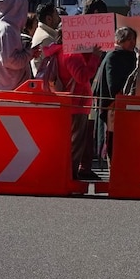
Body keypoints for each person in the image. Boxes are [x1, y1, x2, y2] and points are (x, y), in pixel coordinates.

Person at [92, 26, 138, 162]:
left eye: (134, 39)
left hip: (123, 108)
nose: (132, 42)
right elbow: (114, 85)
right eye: (129, 39)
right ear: (120, 40)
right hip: (114, 108)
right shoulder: (114, 56)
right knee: (113, 144)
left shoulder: (129, 55)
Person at [60, 38, 103, 181]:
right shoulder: (72, 55)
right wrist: (95, 58)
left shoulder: (61, 52)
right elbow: (82, 77)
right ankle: (70, 176)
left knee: (72, 142)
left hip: (72, 102)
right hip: (77, 102)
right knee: (76, 144)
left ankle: (68, 174)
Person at [0, 0, 38, 91]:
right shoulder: (7, 29)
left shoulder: (4, 25)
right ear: (18, 7)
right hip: (11, 89)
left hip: (7, 87)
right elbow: (11, 61)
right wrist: (30, 53)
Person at [31, 2, 62, 75]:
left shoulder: (44, 34)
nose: (59, 18)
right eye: (57, 15)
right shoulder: (45, 39)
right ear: (49, 19)